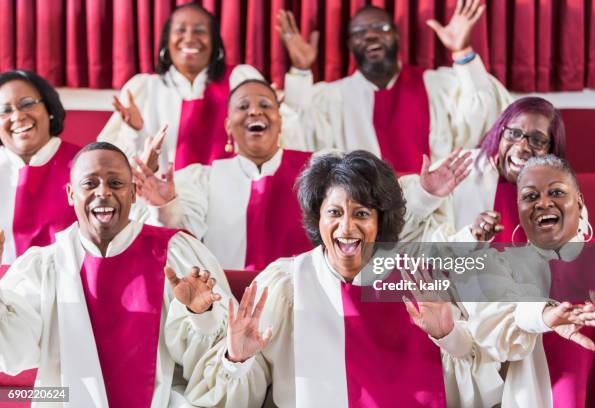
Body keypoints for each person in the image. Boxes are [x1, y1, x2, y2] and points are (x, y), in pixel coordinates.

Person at [174, 151, 500, 407]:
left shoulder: (418, 278)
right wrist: (238, 359)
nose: (346, 228)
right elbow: (245, 395)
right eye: (334, 213)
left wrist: (447, 335)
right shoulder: (287, 285)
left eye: (361, 213)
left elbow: (477, 392)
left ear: (381, 220)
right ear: (318, 218)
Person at [0, 142, 233, 407]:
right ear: (70, 194)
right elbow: (14, 353)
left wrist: (201, 315)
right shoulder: (45, 267)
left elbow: (215, 357)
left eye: (116, 183)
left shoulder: (175, 253)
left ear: (133, 192)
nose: (103, 192)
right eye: (89, 183)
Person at [276, 1, 511, 174]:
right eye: (359, 32)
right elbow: (298, 139)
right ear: (349, 45)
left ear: (397, 36)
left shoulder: (437, 85)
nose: (370, 35)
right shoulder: (332, 97)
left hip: (439, 217)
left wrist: (462, 52)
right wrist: (300, 70)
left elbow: (485, 121)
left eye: (381, 27)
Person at [458, 155, 595, 407]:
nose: (543, 203)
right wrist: (541, 315)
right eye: (530, 196)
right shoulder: (500, 265)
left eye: (556, 192)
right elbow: (487, 324)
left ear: (580, 201)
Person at [132, 79, 313, 271]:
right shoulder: (203, 180)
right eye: (243, 106)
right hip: (225, 297)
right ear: (228, 126)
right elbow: (181, 236)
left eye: (265, 105)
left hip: (298, 295)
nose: (254, 111)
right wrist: (164, 208)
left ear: (280, 120)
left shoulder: (316, 170)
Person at [98, 2, 265, 172]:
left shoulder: (242, 81)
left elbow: (278, 143)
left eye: (200, 31)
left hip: (232, 195)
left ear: (214, 41)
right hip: (160, 196)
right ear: (166, 41)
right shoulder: (143, 89)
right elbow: (109, 166)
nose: (190, 38)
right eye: (180, 30)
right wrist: (133, 131)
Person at [402, 96, 567, 243]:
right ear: (500, 133)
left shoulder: (559, 189)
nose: (521, 147)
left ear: (551, 150)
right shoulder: (457, 169)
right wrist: (425, 195)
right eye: (514, 133)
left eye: (537, 140)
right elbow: (404, 236)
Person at [0, 70, 80, 265]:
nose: (18, 116)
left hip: (69, 290)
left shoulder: (85, 164)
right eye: (5, 110)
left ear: (49, 109)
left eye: (27, 104)